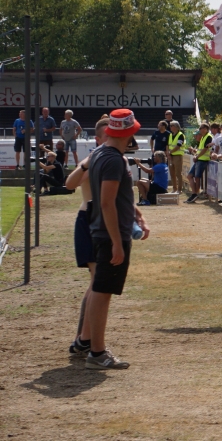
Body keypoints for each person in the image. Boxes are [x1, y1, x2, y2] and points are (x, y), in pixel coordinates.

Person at [85, 108, 150, 369]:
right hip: (110, 233)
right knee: (102, 292)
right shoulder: (114, 159)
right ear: (129, 131)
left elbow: (113, 198)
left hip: (103, 230)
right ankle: (97, 352)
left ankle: (91, 345)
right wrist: (116, 242)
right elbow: (107, 202)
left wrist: (135, 213)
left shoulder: (100, 153)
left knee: (99, 290)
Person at [65, 116, 108, 361]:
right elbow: (70, 184)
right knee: (97, 282)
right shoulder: (93, 159)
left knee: (97, 283)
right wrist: (85, 166)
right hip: (89, 220)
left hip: (99, 221)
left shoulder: (114, 158)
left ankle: (85, 337)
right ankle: (84, 339)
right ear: (98, 138)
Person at [185, 123, 213, 203]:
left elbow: (205, 149)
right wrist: (196, 155)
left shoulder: (209, 137)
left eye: (202, 128)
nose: (200, 130)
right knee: (190, 176)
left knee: (197, 177)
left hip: (203, 159)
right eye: (200, 128)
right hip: (199, 159)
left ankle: (195, 194)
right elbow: (201, 149)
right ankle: (194, 193)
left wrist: (197, 156)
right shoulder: (203, 137)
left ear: (206, 129)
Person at [166, 121, 185, 193]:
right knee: (172, 173)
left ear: (176, 127)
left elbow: (178, 145)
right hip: (171, 156)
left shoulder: (181, 135)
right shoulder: (170, 135)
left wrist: (170, 152)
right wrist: (168, 153)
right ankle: (174, 188)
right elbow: (167, 145)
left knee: (178, 173)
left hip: (177, 156)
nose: (170, 127)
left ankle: (179, 189)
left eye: (172, 126)